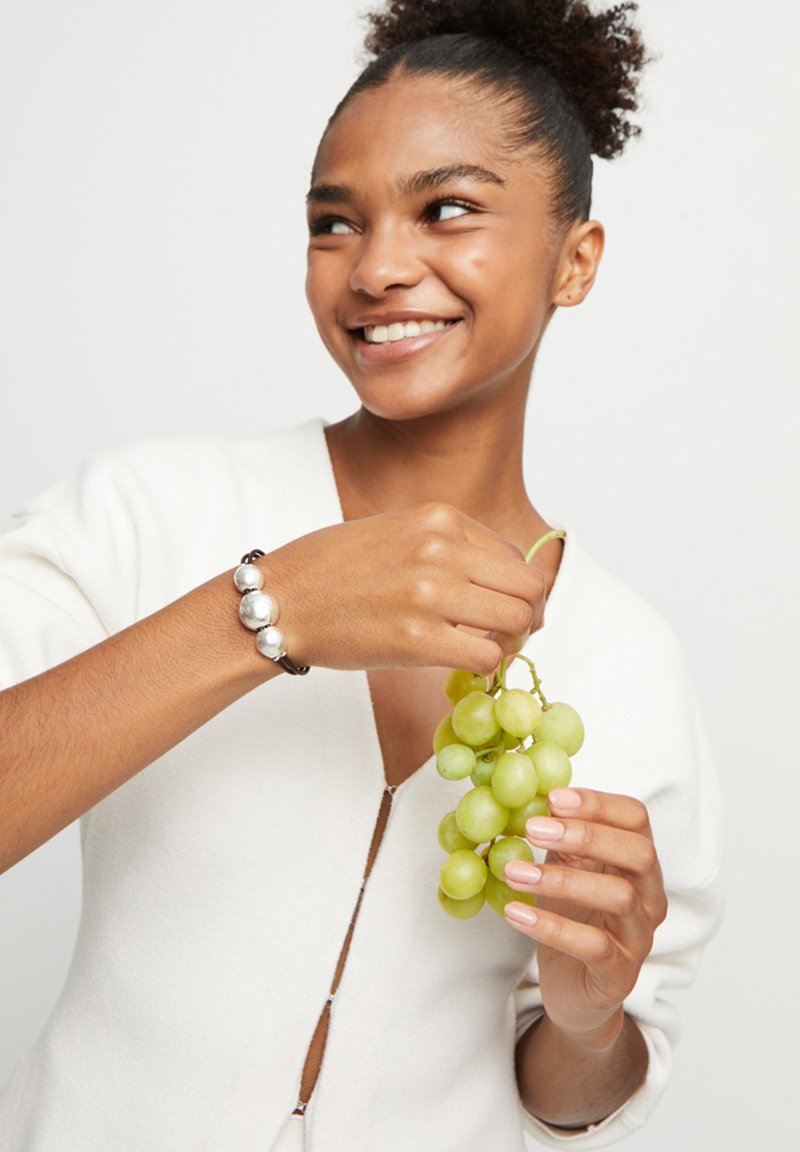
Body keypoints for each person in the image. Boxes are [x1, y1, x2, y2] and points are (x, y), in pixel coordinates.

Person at [0, 1, 722, 1149]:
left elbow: (576, 1095)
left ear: (573, 260)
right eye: (333, 223)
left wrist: (588, 1024)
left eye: (446, 209)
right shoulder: (150, 511)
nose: (379, 267)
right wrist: (262, 613)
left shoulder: (626, 658)